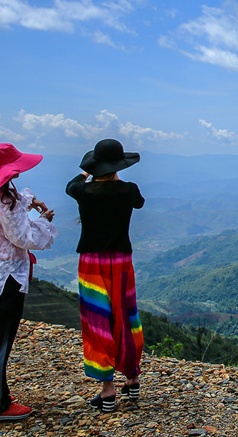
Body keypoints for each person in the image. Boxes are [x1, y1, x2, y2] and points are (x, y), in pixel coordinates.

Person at [0, 143, 57, 423]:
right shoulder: (6, 201)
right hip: (7, 278)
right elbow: (24, 238)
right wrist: (43, 222)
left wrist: (30, 202)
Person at [66, 138, 145, 413]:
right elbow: (140, 203)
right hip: (122, 260)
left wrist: (87, 171)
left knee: (97, 319)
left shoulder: (84, 191)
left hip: (92, 262)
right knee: (125, 315)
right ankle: (132, 378)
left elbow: (71, 186)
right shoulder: (128, 190)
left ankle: (108, 390)